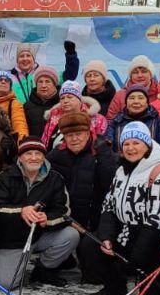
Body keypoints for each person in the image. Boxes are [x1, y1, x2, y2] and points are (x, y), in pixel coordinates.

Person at [86, 121, 160, 295]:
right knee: (90, 243)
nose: (131, 148)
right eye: (126, 144)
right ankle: (115, 287)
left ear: (147, 144)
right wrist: (107, 236)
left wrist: (137, 258)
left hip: (151, 236)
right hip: (124, 230)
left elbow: (156, 218)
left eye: (136, 143)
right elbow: (109, 205)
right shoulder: (121, 170)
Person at [0, 139, 78, 288]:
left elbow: (64, 211)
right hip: (11, 240)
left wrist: (47, 219)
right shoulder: (5, 176)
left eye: (38, 153)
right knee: (5, 284)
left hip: (40, 234)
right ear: (21, 157)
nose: (34, 157)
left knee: (71, 235)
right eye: (28, 153)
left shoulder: (55, 178)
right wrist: (21, 211)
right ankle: (16, 263)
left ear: (44, 157)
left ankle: (43, 270)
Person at [47, 109, 118, 278]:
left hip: (95, 219)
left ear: (88, 132)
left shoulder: (102, 151)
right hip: (67, 217)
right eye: (69, 135)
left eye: (79, 133)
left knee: (92, 275)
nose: (74, 138)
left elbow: (111, 187)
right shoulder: (57, 154)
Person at [106, 84, 160, 152]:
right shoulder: (116, 122)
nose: (136, 102)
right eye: (131, 98)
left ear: (147, 103)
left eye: (141, 98)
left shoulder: (158, 122)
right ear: (126, 103)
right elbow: (108, 149)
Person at [41, 81, 107, 149]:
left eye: (69, 97)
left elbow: (102, 147)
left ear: (79, 99)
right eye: (62, 98)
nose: (65, 101)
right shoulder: (54, 117)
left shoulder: (98, 119)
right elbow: (44, 142)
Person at [10, 41, 79, 103]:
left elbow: (70, 75)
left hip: (42, 113)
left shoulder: (44, 73)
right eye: (21, 56)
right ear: (17, 59)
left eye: (28, 55)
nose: (25, 59)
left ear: (33, 59)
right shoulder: (9, 78)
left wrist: (71, 55)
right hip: (18, 115)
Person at [22, 66, 65, 141]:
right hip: (34, 150)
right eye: (40, 82)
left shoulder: (63, 105)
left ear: (54, 84)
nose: (43, 85)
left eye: (47, 81)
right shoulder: (27, 106)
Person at [0, 72, 30, 139]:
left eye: (7, 80)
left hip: (6, 145)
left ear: (10, 86)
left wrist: (22, 142)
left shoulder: (14, 103)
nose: (3, 82)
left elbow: (20, 124)